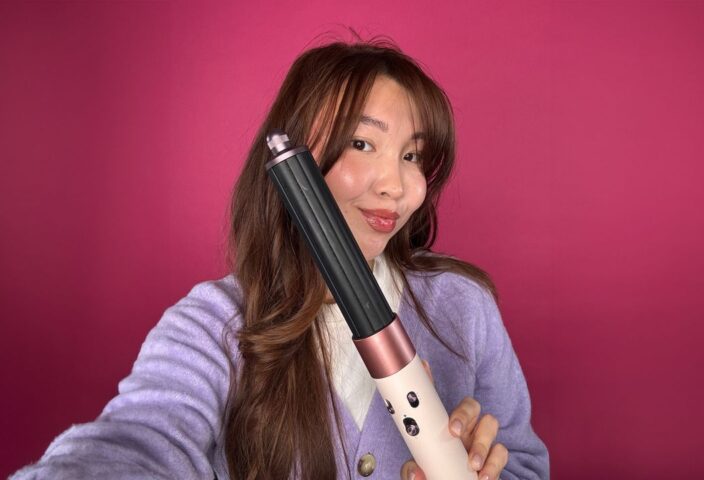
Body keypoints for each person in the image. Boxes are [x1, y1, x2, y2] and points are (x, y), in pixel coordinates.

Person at [12, 39, 549, 480]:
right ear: (298, 166)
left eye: (413, 155)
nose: (396, 185)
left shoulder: (463, 305)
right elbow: (140, 440)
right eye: (362, 144)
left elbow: (524, 466)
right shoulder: (213, 323)